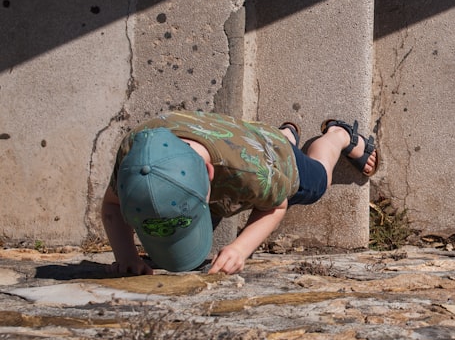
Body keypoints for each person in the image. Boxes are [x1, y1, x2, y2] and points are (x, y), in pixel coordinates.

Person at [101, 110, 378, 276]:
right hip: (229, 137)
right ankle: (283, 134)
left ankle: (338, 135)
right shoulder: (135, 155)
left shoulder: (251, 173)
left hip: (271, 156)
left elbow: (276, 205)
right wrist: (126, 257)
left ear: (210, 173)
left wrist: (240, 248)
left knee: (317, 182)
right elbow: (112, 207)